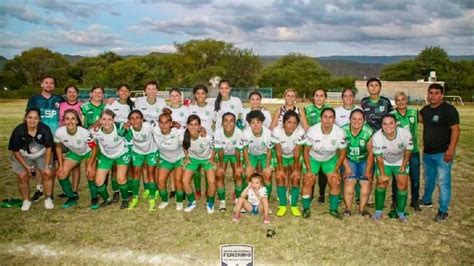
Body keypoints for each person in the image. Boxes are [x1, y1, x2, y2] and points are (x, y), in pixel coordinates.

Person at [419, 83, 460, 222]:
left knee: (443, 182)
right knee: (429, 178)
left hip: (443, 153)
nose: (433, 96)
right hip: (428, 153)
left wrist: (451, 149)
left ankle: (443, 211)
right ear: (428, 95)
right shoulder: (425, 110)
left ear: (442, 95)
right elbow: (415, 119)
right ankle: (426, 200)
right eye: (431, 93)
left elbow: (456, 130)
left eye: (437, 93)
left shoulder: (449, 110)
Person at [302, 108, 347, 219]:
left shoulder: (340, 132)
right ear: (320, 118)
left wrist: (336, 171)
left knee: (335, 181)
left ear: (334, 119)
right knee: (308, 181)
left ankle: (333, 209)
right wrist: (308, 170)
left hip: (330, 159)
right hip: (313, 158)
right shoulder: (312, 130)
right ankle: (306, 208)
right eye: (325, 117)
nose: (327, 120)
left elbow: (342, 153)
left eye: (330, 117)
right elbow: (306, 151)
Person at [8, 109, 55, 210]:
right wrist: (26, 167)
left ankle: (48, 198)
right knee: (22, 176)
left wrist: (47, 166)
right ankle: (26, 200)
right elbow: (15, 151)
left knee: (47, 173)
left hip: (41, 154)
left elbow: (49, 148)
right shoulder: (18, 131)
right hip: (23, 155)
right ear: (25, 118)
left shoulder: (44, 129)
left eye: (35, 118)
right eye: (30, 117)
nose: (32, 120)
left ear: (39, 119)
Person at [26, 75, 64, 201]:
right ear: (41, 84)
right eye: (46, 83)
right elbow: (28, 117)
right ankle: (39, 189)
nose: (49, 85)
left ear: (54, 85)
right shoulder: (35, 100)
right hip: (38, 137)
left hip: (55, 137)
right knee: (38, 164)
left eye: (51, 83)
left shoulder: (59, 99)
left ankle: (50, 192)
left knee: (51, 165)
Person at [372, 114, 413, 222]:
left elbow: (408, 150)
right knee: (381, 183)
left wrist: (404, 165)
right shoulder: (377, 136)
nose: (388, 126)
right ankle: (378, 211)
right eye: (385, 124)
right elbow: (379, 158)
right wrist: (383, 174)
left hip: (400, 161)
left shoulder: (405, 134)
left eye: (391, 123)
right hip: (384, 162)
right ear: (381, 125)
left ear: (396, 124)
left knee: (402, 186)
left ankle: (401, 212)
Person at [89, 110, 131, 210]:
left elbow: (129, 137)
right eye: (104, 119)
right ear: (100, 121)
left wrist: (127, 130)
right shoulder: (95, 131)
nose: (107, 122)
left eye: (109, 119)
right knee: (98, 181)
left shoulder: (119, 127)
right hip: (106, 156)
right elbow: (90, 141)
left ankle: (125, 199)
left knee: (121, 179)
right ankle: (107, 199)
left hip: (121, 154)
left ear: (113, 120)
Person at [55, 109, 96, 208]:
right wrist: (60, 165)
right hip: (75, 153)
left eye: (73, 119)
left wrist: (90, 164)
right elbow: (58, 147)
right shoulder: (59, 132)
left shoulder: (84, 133)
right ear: (63, 121)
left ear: (77, 121)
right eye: (67, 119)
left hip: (88, 152)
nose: (70, 121)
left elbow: (94, 148)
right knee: (61, 174)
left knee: (90, 174)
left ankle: (94, 199)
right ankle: (72, 198)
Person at [122, 110, 158, 211]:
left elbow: (161, 126)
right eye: (132, 118)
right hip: (137, 152)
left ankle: (152, 198)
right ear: (129, 120)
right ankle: (135, 197)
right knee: (136, 174)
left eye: (137, 118)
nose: (135, 120)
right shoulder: (128, 129)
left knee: (151, 173)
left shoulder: (149, 126)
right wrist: (125, 129)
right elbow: (124, 136)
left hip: (151, 151)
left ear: (142, 119)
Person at [271, 110, 305, 217]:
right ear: (284, 122)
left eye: (295, 123)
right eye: (289, 122)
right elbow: (278, 150)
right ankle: (282, 205)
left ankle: (294, 205)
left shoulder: (300, 132)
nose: (292, 125)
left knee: (296, 177)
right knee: (280, 177)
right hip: (281, 156)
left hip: (294, 156)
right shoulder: (277, 131)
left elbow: (297, 151)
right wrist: (280, 168)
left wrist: (295, 169)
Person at [391, 91, 421, 211]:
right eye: (398, 100)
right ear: (395, 102)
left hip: (413, 151)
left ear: (406, 100)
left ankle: (415, 201)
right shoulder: (392, 115)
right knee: (397, 178)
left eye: (403, 99)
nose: (401, 102)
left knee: (415, 178)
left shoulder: (414, 112)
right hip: (398, 153)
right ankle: (395, 201)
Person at [342, 109, 374, 217]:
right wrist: (347, 168)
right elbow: (340, 152)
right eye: (354, 119)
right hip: (349, 159)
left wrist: (368, 169)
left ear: (364, 120)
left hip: (364, 159)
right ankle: (348, 208)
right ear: (349, 119)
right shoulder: (343, 130)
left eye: (360, 119)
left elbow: (371, 153)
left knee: (365, 182)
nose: (357, 121)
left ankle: (362, 209)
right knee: (349, 181)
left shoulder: (368, 131)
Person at [105, 84, 134, 203]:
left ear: (129, 93)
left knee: (129, 166)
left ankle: (130, 191)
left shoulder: (132, 105)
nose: (123, 92)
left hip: (129, 138)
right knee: (115, 167)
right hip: (115, 139)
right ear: (117, 92)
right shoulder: (112, 103)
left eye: (126, 91)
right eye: (121, 90)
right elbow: (105, 118)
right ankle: (116, 191)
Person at [182, 115, 217, 213]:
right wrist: (187, 158)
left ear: (199, 126)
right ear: (187, 125)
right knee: (185, 180)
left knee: (211, 181)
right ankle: (192, 202)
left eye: (196, 124)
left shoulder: (205, 137)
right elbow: (184, 146)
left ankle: (210, 203)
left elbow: (215, 145)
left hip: (207, 159)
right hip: (193, 159)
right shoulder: (184, 136)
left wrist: (212, 158)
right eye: (191, 124)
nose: (193, 127)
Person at [152, 108, 186, 211]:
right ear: (158, 123)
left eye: (167, 122)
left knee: (178, 180)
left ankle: (179, 201)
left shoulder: (178, 132)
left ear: (171, 123)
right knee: (160, 180)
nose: (164, 125)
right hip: (165, 159)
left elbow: (185, 145)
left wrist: (187, 159)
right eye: (161, 122)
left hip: (178, 158)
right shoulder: (155, 130)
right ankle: (164, 200)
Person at [304, 88, 332, 203]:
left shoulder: (329, 109)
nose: (319, 97)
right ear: (313, 97)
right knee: (312, 170)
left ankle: (321, 194)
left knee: (322, 172)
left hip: (325, 142)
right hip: (311, 143)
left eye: (321, 95)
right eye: (317, 95)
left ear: (325, 97)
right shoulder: (307, 109)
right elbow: (304, 125)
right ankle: (309, 193)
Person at [188, 85, 215, 199]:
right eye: (198, 93)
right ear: (195, 95)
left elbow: (217, 122)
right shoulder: (190, 108)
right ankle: (198, 190)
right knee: (196, 169)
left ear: (206, 95)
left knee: (208, 167)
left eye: (202, 93)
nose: (200, 95)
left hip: (208, 141)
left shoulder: (212, 107)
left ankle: (208, 190)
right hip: (195, 141)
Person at [214, 112, 244, 211]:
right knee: (219, 174)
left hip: (235, 153)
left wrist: (239, 165)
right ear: (222, 123)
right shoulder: (218, 132)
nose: (228, 123)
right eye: (225, 120)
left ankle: (238, 200)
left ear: (235, 122)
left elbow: (237, 150)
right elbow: (220, 150)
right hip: (223, 154)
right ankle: (222, 202)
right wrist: (221, 165)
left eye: (231, 121)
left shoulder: (239, 132)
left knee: (239, 174)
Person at [57, 85, 83, 199]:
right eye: (69, 92)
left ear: (77, 93)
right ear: (66, 94)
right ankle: (66, 190)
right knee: (61, 163)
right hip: (63, 137)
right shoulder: (60, 105)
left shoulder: (82, 105)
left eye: (74, 92)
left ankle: (74, 190)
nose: (72, 94)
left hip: (76, 137)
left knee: (76, 165)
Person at [243, 110, 274, 199]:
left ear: (262, 123)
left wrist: (267, 166)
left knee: (267, 175)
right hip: (252, 155)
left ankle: (265, 198)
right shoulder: (246, 133)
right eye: (253, 123)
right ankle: (249, 196)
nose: (256, 125)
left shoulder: (268, 133)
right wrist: (249, 165)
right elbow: (245, 150)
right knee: (248, 174)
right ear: (249, 124)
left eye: (258, 122)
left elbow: (269, 151)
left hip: (265, 155)